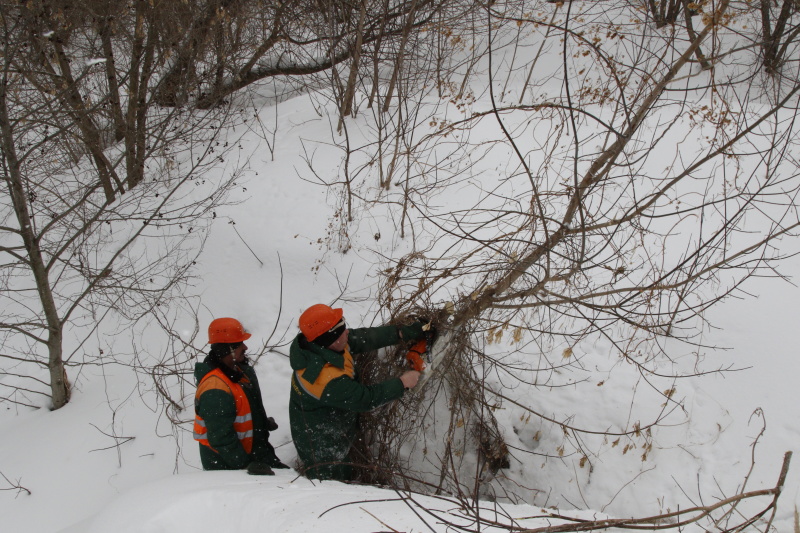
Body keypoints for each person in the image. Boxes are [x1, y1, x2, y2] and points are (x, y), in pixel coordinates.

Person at [289, 303, 428, 481]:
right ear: (331, 339)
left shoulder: (324, 343)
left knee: (345, 466)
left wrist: (400, 333)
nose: (347, 332)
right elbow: (365, 399)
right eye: (342, 329)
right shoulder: (325, 379)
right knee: (331, 481)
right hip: (320, 440)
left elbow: (363, 338)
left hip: (335, 423)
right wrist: (402, 383)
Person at [194, 317, 288, 475]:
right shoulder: (215, 388)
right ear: (228, 349)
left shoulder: (239, 372)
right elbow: (221, 439)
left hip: (255, 454)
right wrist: (246, 465)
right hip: (228, 468)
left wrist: (260, 423)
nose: (245, 347)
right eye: (239, 344)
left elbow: (242, 407)